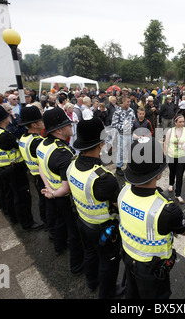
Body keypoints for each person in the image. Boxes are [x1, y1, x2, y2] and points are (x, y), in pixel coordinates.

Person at [118, 138, 185, 299]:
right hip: (152, 269)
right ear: (159, 173)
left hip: (128, 257)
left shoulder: (123, 191)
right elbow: (184, 230)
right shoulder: (166, 209)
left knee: (132, 293)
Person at [67, 116, 124, 298]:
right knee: (109, 262)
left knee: (90, 253)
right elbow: (119, 206)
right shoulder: (103, 178)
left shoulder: (72, 165)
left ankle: (91, 281)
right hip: (103, 230)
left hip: (83, 221)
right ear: (101, 143)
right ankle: (107, 293)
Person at [37, 107, 84, 275]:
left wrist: (48, 187)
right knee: (74, 231)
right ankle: (77, 266)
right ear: (59, 130)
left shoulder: (43, 144)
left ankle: (58, 247)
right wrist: (54, 192)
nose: (71, 126)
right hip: (63, 196)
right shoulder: (62, 154)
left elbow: (40, 167)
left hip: (53, 192)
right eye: (67, 124)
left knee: (58, 221)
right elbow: (67, 186)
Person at [0, 104, 41, 230]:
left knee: (9, 194)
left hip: (2, 168)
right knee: (22, 197)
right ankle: (27, 223)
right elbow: (19, 146)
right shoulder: (4, 135)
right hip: (14, 169)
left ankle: (13, 217)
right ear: (4, 119)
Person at [18, 105, 48, 227]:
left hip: (34, 175)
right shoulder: (37, 142)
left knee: (43, 201)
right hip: (43, 177)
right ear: (34, 125)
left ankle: (46, 222)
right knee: (47, 203)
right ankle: (49, 225)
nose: (43, 121)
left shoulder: (24, 138)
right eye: (41, 120)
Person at [164, 115, 185, 204]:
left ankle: (178, 194)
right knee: (172, 171)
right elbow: (166, 143)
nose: (182, 123)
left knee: (179, 175)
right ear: (175, 122)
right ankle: (171, 184)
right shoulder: (170, 131)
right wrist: (165, 155)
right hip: (171, 155)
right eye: (180, 122)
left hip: (182, 156)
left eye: (183, 121)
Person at [111, 96, 135, 176]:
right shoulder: (118, 112)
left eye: (130, 102)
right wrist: (124, 128)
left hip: (130, 134)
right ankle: (118, 168)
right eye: (127, 102)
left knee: (130, 151)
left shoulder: (131, 111)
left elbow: (134, 121)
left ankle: (129, 166)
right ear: (123, 101)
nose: (129, 103)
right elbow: (114, 124)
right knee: (120, 152)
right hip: (122, 135)